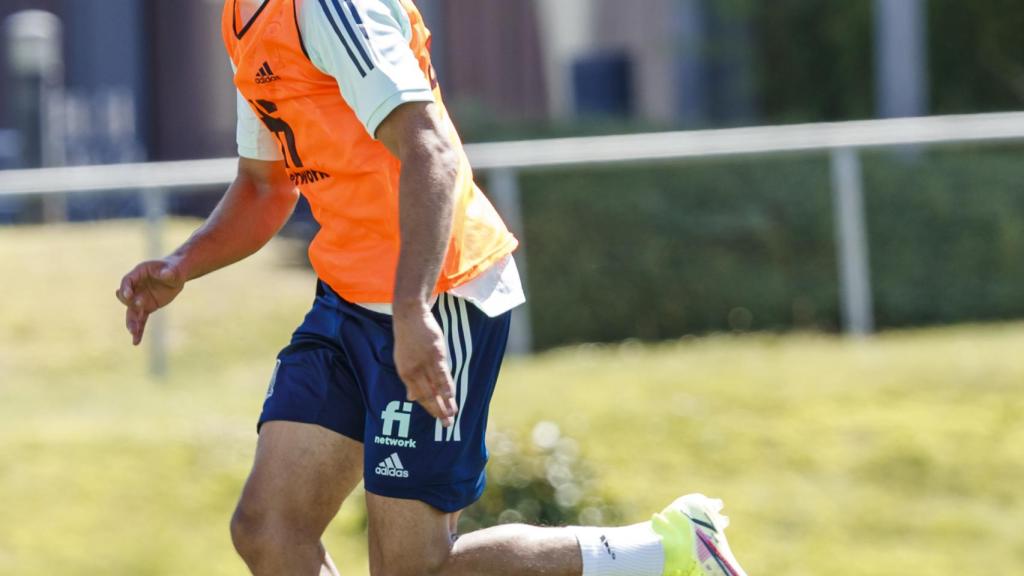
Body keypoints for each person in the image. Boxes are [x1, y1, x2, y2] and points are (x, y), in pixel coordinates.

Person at [116, 1, 749, 575]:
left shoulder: (331, 9)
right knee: (267, 529)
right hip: (347, 298)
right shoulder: (241, 18)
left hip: (439, 294)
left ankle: (668, 549)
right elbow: (264, 184)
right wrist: (183, 263)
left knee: (413, 569)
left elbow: (431, 149)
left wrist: (413, 309)